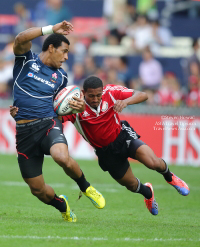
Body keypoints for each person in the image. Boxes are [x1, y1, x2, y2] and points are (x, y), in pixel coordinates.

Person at [10, 76, 190, 216]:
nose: (95, 99)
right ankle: (148, 193)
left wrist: (125, 102)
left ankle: (170, 177)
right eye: (91, 95)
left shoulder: (112, 92)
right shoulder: (74, 108)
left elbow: (143, 94)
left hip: (123, 136)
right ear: (83, 93)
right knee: (131, 185)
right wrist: (21, 114)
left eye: (98, 94)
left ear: (103, 91)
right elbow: (51, 119)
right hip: (105, 152)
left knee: (153, 162)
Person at [10, 21, 105, 223]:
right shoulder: (26, 61)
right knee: (37, 189)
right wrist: (51, 29)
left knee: (61, 157)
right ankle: (61, 204)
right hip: (24, 132)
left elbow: (60, 108)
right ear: (51, 48)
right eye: (64, 51)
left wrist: (77, 107)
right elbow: (20, 38)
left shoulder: (61, 77)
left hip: (47, 124)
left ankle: (86, 187)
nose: (66, 57)